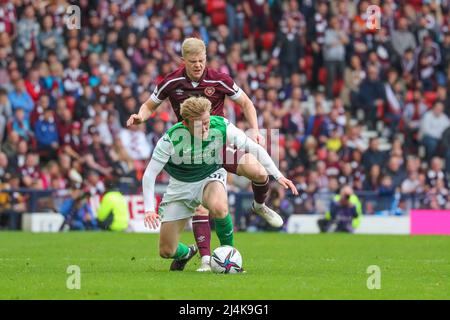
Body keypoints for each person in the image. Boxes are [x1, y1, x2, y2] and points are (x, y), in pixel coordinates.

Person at [127, 37, 288, 272]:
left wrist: (254, 130)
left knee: (256, 171)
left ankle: (259, 206)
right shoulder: (171, 82)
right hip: (189, 149)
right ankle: (202, 257)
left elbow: (246, 104)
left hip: (217, 144)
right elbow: (149, 106)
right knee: (177, 237)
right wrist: (141, 116)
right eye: (193, 61)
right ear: (184, 60)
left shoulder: (219, 79)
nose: (198, 65)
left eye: (202, 60)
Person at [142, 97, 298, 271]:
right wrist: (149, 209)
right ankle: (187, 252)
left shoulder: (221, 125)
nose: (206, 127)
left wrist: (278, 175)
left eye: (207, 122)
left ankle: (230, 258)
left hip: (209, 176)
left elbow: (253, 148)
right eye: (200, 124)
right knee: (166, 250)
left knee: (219, 207)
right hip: (180, 185)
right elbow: (149, 174)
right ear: (186, 123)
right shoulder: (170, 139)